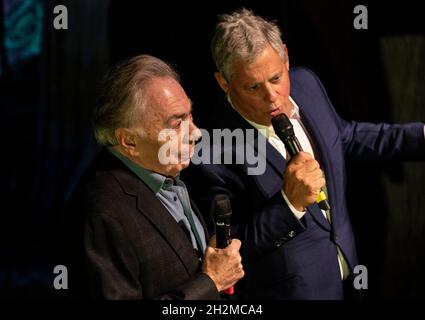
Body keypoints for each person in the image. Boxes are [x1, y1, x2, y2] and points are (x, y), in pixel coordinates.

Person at [183, 8, 425, 299]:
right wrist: (288, 205)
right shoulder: (211, 149)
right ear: (224, 82)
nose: (272, 96)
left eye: (275, 78)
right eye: (253, 87)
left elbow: (345, 136)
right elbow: (225, 251)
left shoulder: (306, 84)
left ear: (286, 56)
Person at [63, 55, 244, 299]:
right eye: (176, 123)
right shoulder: (102, 214)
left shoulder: (163, 170)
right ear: (129, 141)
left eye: (189, 115)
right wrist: (211, 282)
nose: (195, 133)